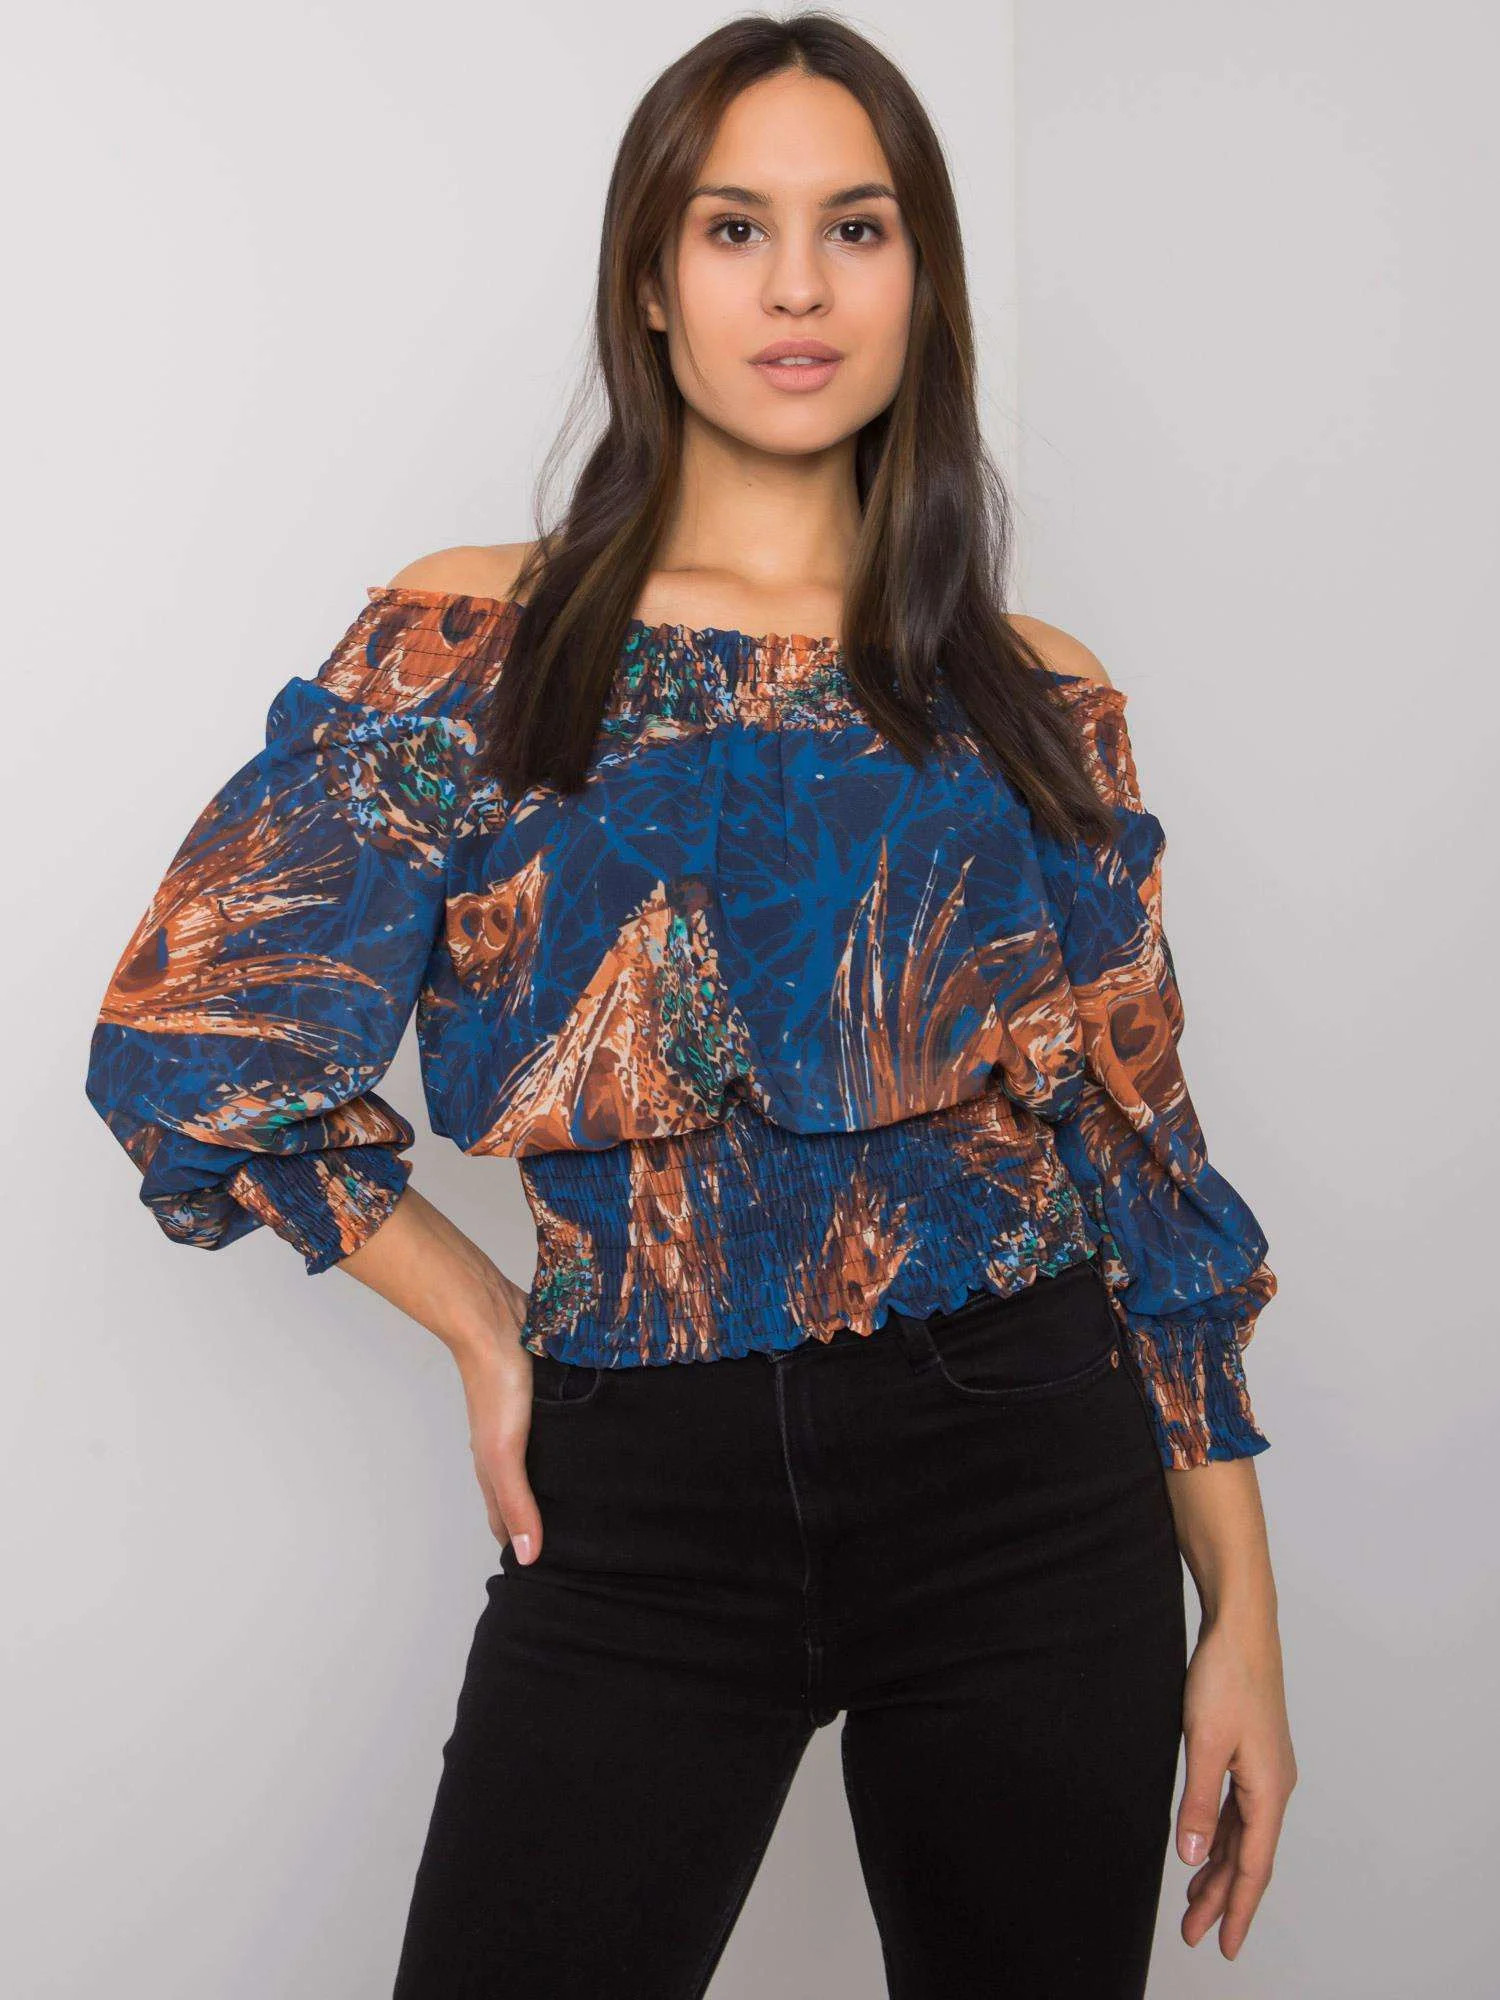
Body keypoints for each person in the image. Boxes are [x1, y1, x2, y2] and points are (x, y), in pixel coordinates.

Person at [84, 13, 1297, 1997]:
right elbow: (193, 1042)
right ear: (652, 284)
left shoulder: (1034, 691)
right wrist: (482, 1318)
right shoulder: (479, 641)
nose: (798, 286)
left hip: (1028, 1485)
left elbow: (1148, 1175)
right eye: (737, 229)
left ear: (922, 282)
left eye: (856, 228)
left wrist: (1243, 1611)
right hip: (638, 1492)